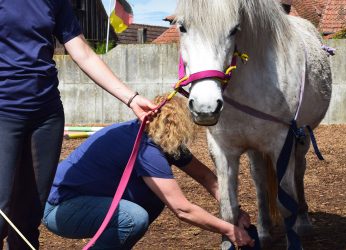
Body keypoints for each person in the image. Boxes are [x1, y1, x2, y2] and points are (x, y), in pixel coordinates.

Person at [0, 1, 156, 249]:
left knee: (28, 218)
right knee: (1, 215)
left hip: (46, 117)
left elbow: (82, 51)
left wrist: (131, 98)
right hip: (4, 114)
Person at [43, 96, 255, 249]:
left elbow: (206, 177)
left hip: (80, 200)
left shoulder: (158, 136)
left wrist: (234, 210)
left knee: (152, 200)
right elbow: (182, 210)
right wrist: (229, 230)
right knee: (133, 218)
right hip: (59, 209)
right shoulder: (146, 150)